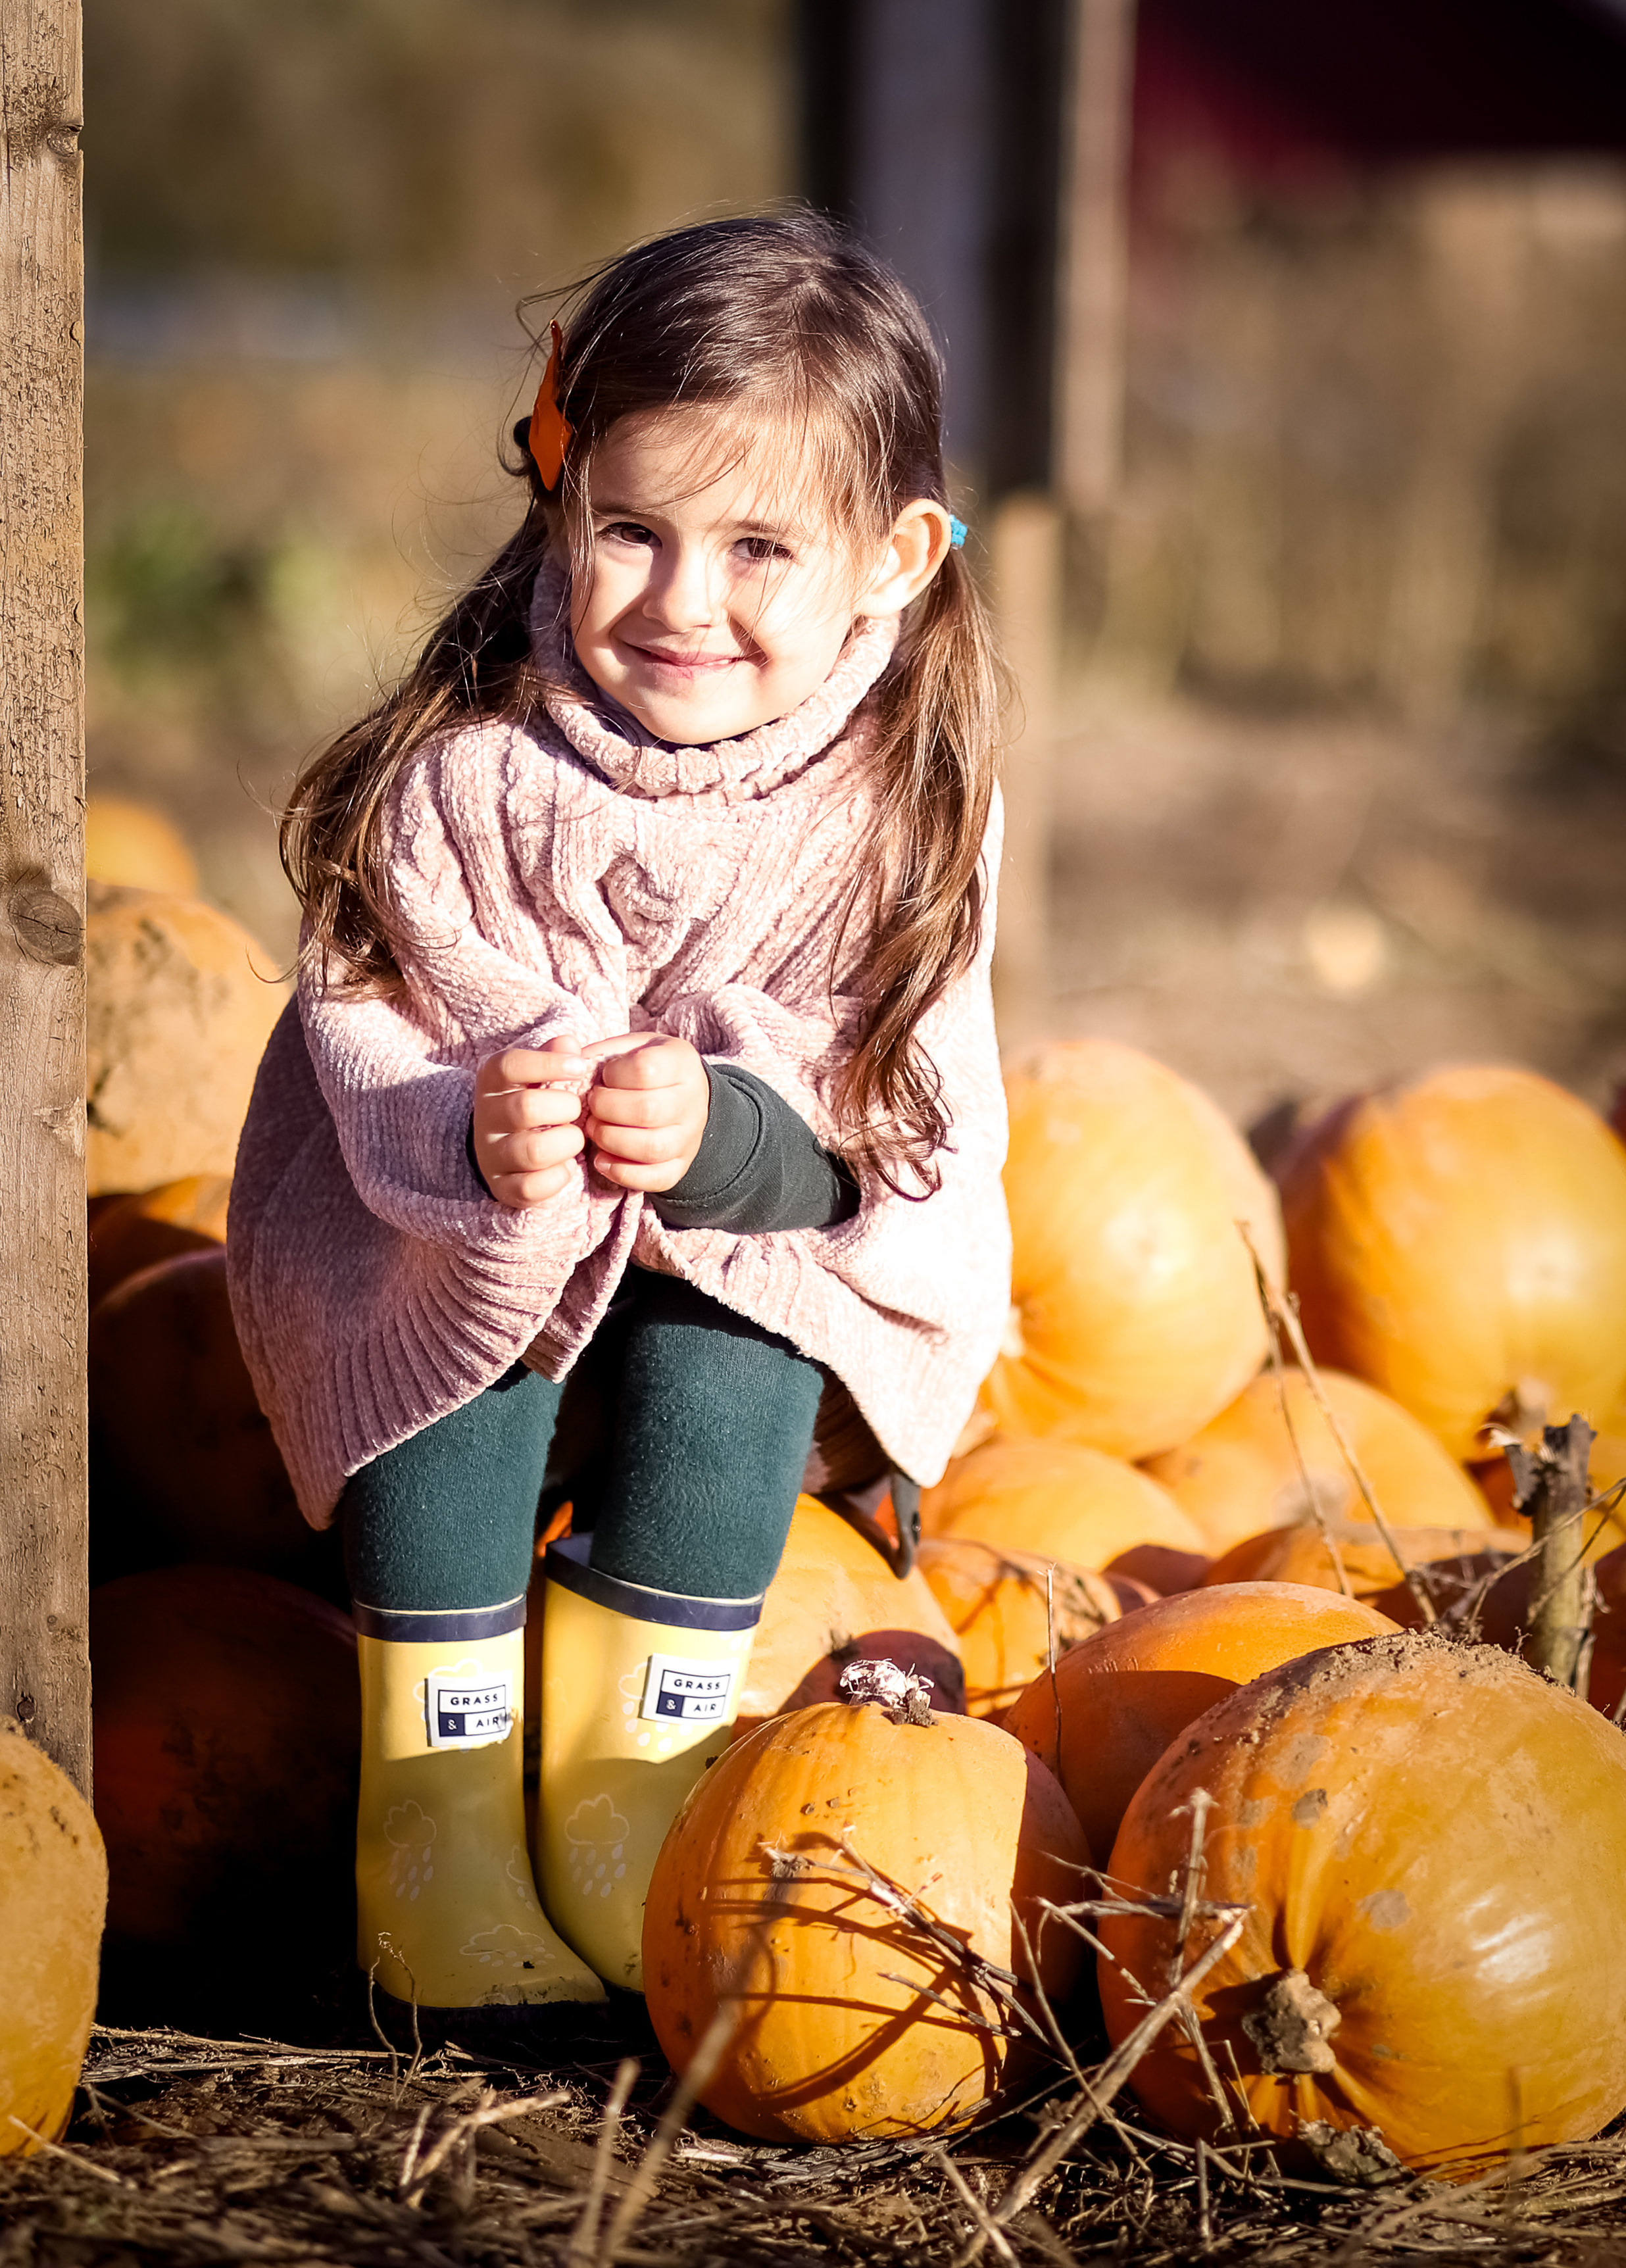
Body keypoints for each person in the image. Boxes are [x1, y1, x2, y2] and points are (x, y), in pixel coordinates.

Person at [227, 212, 1012, 2013]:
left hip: (727, 1251)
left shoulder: (897, 813)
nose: (680, 601)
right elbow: (374, 1030)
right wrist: (481, 1130)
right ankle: (429, 1825)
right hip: (447, 1228)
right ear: (560, 496)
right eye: (632, 532)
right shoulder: (468, 773)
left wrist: (729, 1130)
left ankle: (624, 1782)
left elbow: (889, 1125)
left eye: (755, 547)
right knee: (461, 1321)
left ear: (892, 561)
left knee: (741, 1352)